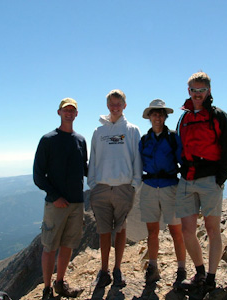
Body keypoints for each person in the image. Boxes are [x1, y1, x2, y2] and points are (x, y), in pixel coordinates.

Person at [176, 72, 227, 295]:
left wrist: (220, 179)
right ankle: (200, 273)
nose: (197, 94)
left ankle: (210, 277)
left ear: (209, 91)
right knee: (187, 231)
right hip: (187, 179)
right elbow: (180, 145)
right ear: (188, 91)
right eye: (194, 90)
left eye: (202, 90)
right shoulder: (184, 117)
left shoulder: (220, 117)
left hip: (210, 179)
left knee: (212, 230)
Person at [33, 98, 88, 300]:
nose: (69, 113)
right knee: (50, 247)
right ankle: (47, 289)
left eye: (72, 110)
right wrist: (55, 196)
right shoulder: (48, 140)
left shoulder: (81, 140)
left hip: (77, 202)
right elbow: (38, 175)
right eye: (66, 110)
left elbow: (84, 169)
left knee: (68, 245)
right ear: (59, 112)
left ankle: (60, 283)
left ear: (76, 114)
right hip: (56, 204)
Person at [87, 89, 142, 289]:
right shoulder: (98, 132)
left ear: (125, 106)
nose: (115, 107)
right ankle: (104, 271)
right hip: (101, 187)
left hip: (124, 188)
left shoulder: (132, 130)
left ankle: (117, 269)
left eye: (119, 104)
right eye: (112, 104)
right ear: (107, 106)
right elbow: (92, 158)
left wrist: (135, 184)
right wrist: (92, 183)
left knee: (120, 229)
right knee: (103, 231)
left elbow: (137, 158)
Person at [139, 99, 187, 288]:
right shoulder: (144, 140)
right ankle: (153, 267)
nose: (157, 117)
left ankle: (181, 269)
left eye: (160, 114)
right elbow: (138, 164)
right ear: (149, 117)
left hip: (169, 187)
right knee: (152, 231)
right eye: (154, 114)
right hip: (150, 187)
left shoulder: (173, 138)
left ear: (165, 117)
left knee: (176, 231)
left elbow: (182, 161)